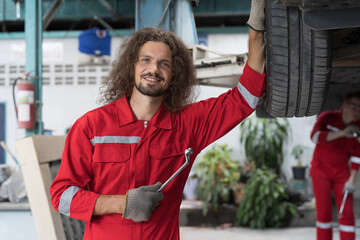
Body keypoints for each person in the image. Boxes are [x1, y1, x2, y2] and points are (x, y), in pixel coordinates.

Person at [50, 0, 266, 239]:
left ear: (174, 75)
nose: (154, 69)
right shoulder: (91, 127)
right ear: (131, 66)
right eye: (146, 60)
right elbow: (61, 197)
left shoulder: (187, 125)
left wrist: (256, 30)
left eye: (164, 64)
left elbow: (245, 98)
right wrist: (121, 204)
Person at [310, 91, 360, 240]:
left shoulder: (357, 127)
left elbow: (357, 154)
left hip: (342, 173)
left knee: (346, 213)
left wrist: (352, 178)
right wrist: (343, 133)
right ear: (344, 105)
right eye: (354, 107)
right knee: (323, 213)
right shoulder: (327, 117)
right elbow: (315, 137)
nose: (357, 111)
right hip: (320, 171)